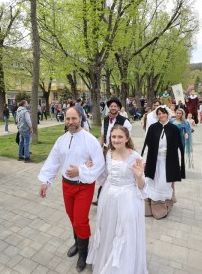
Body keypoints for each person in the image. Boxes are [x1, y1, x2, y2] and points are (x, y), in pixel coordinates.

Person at [38, 107, 105, 272]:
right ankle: (77, 242)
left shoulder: (90, 140)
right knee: (71, 216)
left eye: (73, 118)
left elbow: (100, 164)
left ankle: (84, 254)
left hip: (84, 186)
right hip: (66, 184)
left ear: (81, 118)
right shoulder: (61, 139)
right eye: (68, 119)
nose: (70, 122)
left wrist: (81, 171)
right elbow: (53, 160)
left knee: (81, 219)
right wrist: (45, 181)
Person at [86, 126, 148, 274]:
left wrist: (139, 176)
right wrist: (90, 167)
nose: (116, 140)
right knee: (109, 228)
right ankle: (106, 257)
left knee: (124, 232)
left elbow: (142, 187)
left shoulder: (136, 157)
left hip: (128, 198)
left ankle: (122, 266)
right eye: (113, 137)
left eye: (120, 137)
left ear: (127, 138)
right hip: (109, 197)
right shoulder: (108, 154)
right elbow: (105, 176)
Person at [142, 105, 185, 219]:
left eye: (163, 113)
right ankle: (148, 209)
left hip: (167, 162)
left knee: (162, 185)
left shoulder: (173, 128)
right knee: (150, 183)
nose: (161, 115)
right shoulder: (153, 128)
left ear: (168, 114)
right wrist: (144, 160)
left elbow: (178, 148)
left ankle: (160, 210)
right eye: (159, 114)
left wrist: (178, 162)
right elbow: (147, 145)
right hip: (153, 161)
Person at [92, 98, 132, 206]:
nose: (113, 108)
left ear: (118, 108)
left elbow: (128, 138)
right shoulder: (105, 119)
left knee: (114, 174)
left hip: (117, 152)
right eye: (111, 106)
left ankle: (114, 199)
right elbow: (102, 136)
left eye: (115, 106)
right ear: (109, 107)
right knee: (104, 174)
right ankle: (102, 198)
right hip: (106, 150)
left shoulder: (125, 121)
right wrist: (98, 149)